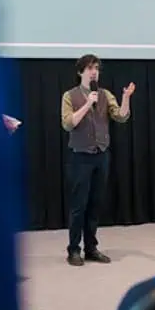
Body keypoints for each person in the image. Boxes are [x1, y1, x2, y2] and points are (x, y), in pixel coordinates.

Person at [60, 54, 135, 266]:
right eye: (90, 68)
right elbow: (67, 124)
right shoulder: (70, 96)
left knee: (95, 204)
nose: (94, 72)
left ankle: (91, 248)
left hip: (101, 156)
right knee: (78, 206)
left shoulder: (105, 94)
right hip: (79, 157)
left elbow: (121, 116)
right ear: (80, 72)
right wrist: (86, 104)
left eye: (96, 68)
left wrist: (126, 98)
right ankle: (74, 250)